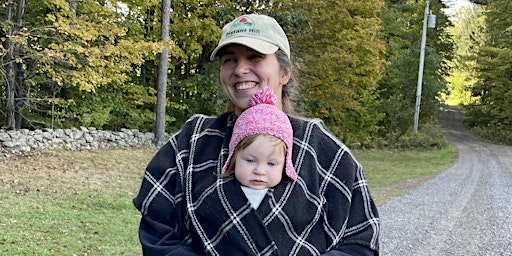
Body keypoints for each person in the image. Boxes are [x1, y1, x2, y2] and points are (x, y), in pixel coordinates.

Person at [133, 13, 380, 255]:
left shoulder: (323, 149)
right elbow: (158, 233)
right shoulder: (192, 141)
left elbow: (360, 241)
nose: (240, 69)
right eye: (229, 60)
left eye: (255, 57)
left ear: (285, 72)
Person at [221, 87, 296, 209]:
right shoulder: (220, 192)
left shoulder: (293, 201)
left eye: (271, 164)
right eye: (250, 161)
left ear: (285, 165)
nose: (260, 171)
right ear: (233, 158)